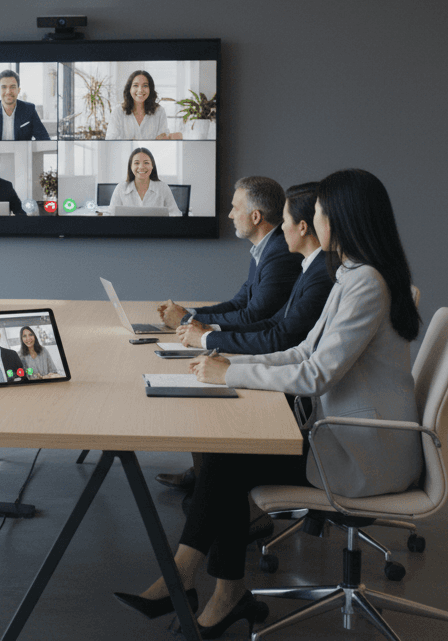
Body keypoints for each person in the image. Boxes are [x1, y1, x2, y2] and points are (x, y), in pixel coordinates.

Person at [114, 169, 425, 637]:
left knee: (228, 457)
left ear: (338, 219)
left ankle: (201, 583)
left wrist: (232, 371)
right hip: (346, 434)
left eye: (317, 212)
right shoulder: (353, 275)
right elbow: (302, 352)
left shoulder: (364, 284)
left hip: (362, 454)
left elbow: (317, 373)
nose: (305, 221)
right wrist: (226, 361)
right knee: (228, 453)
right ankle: (210, 587)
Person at [156, 182, 333, 494]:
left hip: (299, 395)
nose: (228, 214)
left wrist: (204, 335)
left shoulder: (285, 255)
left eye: (235, 207)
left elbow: (268, 328)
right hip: (290, 372)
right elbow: (248, 308)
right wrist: (195, 321)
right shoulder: (294, 260)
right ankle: (206, 481)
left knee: (220, 440)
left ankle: (209, 485)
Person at [158, 176, 300, 328]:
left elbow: (252, 317)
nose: (230, 215)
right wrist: (188, 313)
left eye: (235, 208)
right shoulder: (266, 248)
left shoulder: (280, 254)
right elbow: (239, 304)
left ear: (256, 217)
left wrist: (186, 320)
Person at [0, 69, 51, 140]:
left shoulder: (29, 109)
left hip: (21, 156)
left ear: (18, 90)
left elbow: (44, 138)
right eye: (4, 87)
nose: (8, 92)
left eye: (12, 87)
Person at [107, 147, 184, 216]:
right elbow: (110, 215)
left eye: (146, 163)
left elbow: (175, 214)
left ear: (152, 166)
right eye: (136, 163)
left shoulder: (163, 188)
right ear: (131, 166)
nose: (141, 167)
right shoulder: (121, 188)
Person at [106, 70, 182, 140]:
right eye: (135, 85)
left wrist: (168, 137)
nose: (140, 90)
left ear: (150, 89)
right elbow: (110, 139)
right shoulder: (118, 111)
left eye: (145, 86)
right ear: (129, 89)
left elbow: (163, 138)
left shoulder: (159, 111)